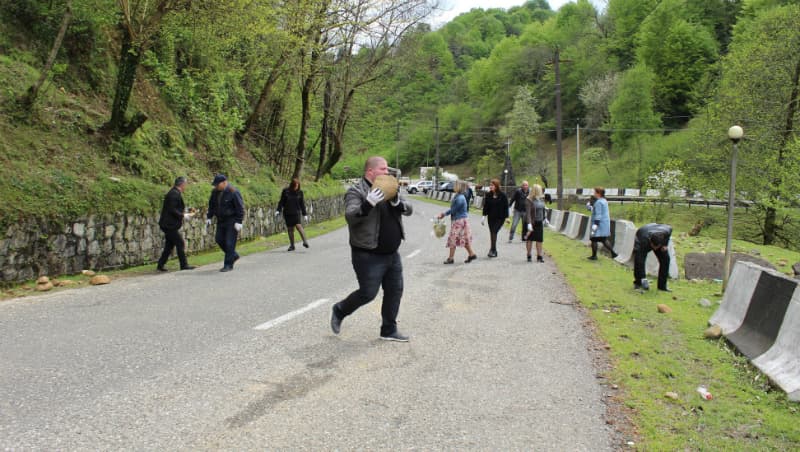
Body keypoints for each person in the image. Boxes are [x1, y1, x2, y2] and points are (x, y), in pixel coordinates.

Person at [330, 156, 413, 342]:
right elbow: (351, 216)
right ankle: (340, 309)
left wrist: (398, 203)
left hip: (392, 253)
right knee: (368, 293)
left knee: (395, 290)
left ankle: (389, 330)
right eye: (383, 169)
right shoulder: (355, 191)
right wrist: (368, 204)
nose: (387, 172)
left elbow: (409, 209)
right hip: (368, 254)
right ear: (370, 172)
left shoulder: (390, 188)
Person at [206, 174, 245, 272]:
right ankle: (233, 255)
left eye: (217, 184)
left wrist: (239, 221)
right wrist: (209, 217)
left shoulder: (233, 192)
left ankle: (228, 264)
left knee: (229, 242)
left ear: (224, 183)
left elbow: (240, 207)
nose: (216, 186)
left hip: (231, 221)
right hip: (221, 220)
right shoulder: (215, 192)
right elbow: (212, 205)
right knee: (219, 239)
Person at [156, 176, 196, 271]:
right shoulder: (174, 194)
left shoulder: (175, 193)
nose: (186, 186)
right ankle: (184, 265)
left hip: (169, 224)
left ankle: (160, 264)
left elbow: (176, 207)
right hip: (169, 225)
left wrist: (186, 211)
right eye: (185, 184)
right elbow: (172, 209)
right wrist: (183, 215)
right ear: (182, 184)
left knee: (169, 245)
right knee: (180, 242)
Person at [437, 181, 477, 264]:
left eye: (455, 185)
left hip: (459, 221)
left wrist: (443, 214)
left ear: (459, 187)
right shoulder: (458, 196)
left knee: (453, 238)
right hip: (461, 220)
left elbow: (453, 209)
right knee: (463, 238)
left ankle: (450, 258)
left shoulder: (460, 198)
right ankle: (471, 254)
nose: (453, 187)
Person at [633, 223, 673, 291]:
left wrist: (665, 244)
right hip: (643, 235)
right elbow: (640, 260)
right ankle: (638, 282)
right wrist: (643, 278)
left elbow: (668, 236)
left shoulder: (667, 230)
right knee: (639, 259)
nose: (654, 249)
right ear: (650, 241)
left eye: (656, 246)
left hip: (659, 238)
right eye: (653, 246)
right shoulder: (642, 239)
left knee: (666, 260)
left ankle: (662, 286)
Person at [276, 177, 309, 251]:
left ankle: (305, 241)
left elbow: (302, 204)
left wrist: (305, 214)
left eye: (297, 186)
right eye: (295, 186)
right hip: (287, 213)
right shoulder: (286, 191)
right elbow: (281, 201)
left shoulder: (300, 192)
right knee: (290, 229)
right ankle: (292, 245)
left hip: (296, 212)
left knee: (298, 226)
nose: (296, 187)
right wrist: (278, 210)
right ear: (292, 185)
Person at [586, 187, 618, 260]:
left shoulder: (598, 202)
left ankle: (594, 256)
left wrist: (595, 226)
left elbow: (598, 214)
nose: (594, 194)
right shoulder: (604, 201)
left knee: (593, 239)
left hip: (598, 223)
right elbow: (594, 209)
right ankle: (613, 253)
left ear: (598, 193)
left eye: (595, 193)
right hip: (605, 223)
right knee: (603, 239)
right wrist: (589, 205)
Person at [481, 178, 509, 258]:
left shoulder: (503, 195)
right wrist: (483, 216)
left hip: (500, 218)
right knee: (492, 233)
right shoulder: (488, 195)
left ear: (496, 186)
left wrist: (507, 217)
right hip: (491, 218)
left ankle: (492, 250)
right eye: (490, 185)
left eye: (492, 185)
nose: (490, 187)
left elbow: (505, 207)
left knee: (494, 231)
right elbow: (486, 206)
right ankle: (494, 250)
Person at [524, 183, 547, 263]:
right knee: (530, 239)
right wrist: (529, 223)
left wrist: (545, 218)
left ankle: (539, 255)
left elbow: (543, 209)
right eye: (539, 190)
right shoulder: (529, 200)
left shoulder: (541, 199)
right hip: (531, 222)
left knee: (539, 239)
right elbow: (528, 213)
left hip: (539, 221)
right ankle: (529, 254)